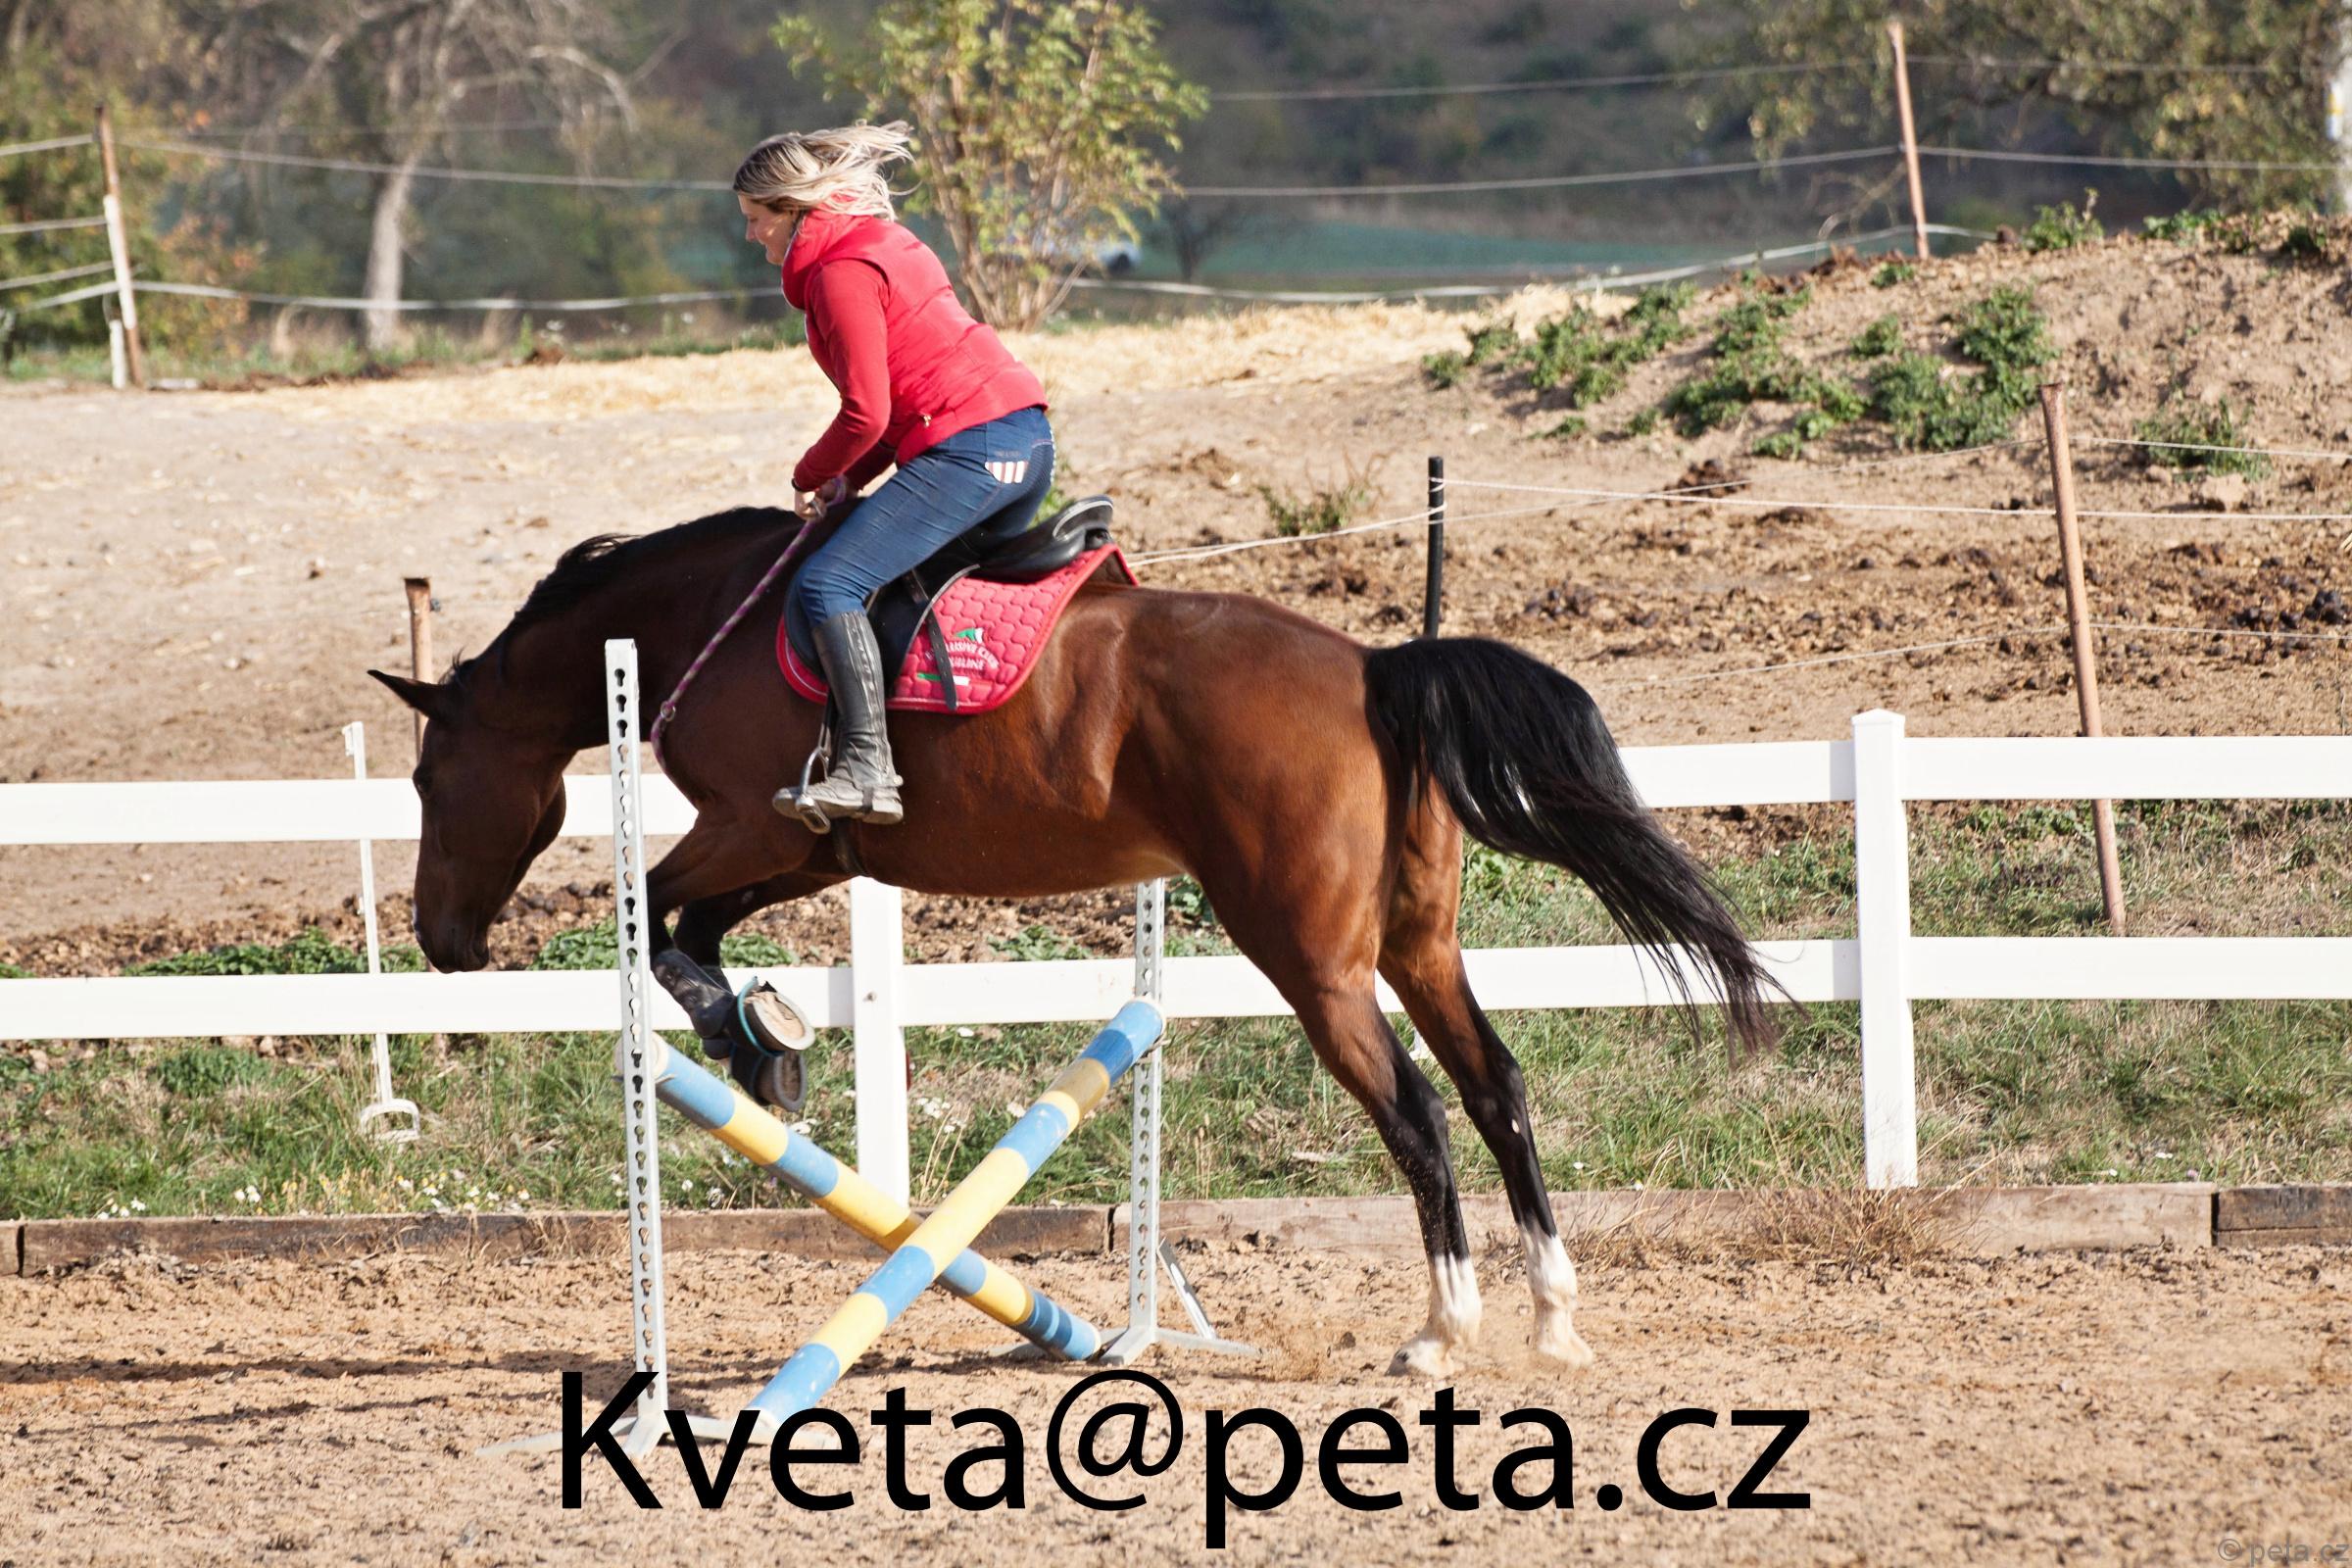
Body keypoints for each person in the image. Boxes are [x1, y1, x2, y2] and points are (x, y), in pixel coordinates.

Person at [734, 122, 1054, 829]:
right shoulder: (882, 242)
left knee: (828, 583)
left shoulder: (839, 273)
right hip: (1024, 444)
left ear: (793, 209)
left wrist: (810, 472)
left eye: (757, 219)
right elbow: (906, 402)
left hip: (971, 452)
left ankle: (868, 769)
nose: (752, 235)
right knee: (898, 587)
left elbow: (866, 412)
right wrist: (852, 480)